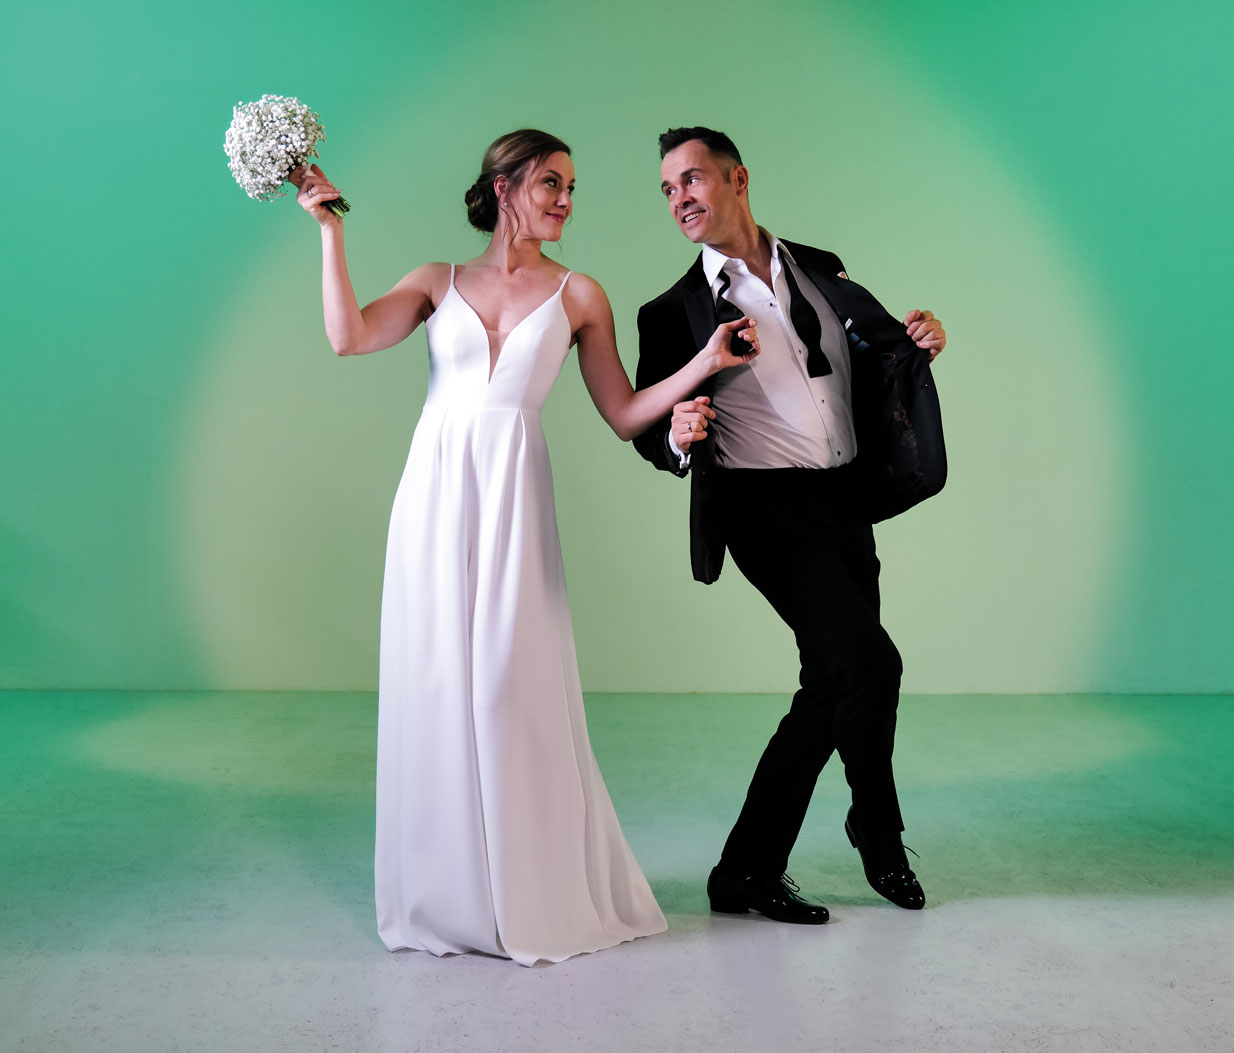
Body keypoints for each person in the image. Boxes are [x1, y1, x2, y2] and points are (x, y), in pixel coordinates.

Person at [291, 129, 761, 966]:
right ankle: (446, 894)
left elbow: (623, 412)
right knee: (438, 682)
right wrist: (330, 230)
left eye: (572, 188)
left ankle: (528, 890)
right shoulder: (438, 281)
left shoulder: (581, 294)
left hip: (514, 498)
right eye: (551, 183)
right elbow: (349, 337)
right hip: (436, 495)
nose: (566, 201)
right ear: (504, 187)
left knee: (512, 687)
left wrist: (704, 363)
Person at [633, 127, 948, 924]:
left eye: (693, 179)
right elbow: (649, 424)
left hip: (844, 497)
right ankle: (876, 829)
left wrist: (918, 347)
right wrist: (678, 433)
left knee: (835, 679)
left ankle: (744, 872)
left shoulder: (818, 266)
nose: (681, 199)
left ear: (738, 179)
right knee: (871, 665)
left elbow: (868, 356)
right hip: (762, 508)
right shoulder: (672, 310)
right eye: (669, 189)